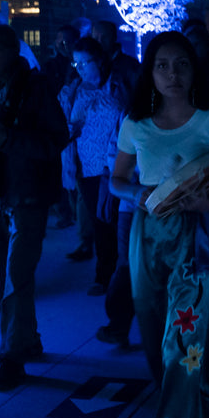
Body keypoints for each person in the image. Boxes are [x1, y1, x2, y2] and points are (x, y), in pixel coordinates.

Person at [111, 32, 209, 418]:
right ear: (150, 70)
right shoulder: (137, 122)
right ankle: (199, 408)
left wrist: (202, 201)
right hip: (147, 239)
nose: (172, 74)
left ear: (194, 69)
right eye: (162, 65)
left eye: (181, 64)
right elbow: (117, 179)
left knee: (182, 343)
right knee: (155, 345)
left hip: (198, 241)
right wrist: (137, 195)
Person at [0, 22, 70, 390]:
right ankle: (27, 339)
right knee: (0, 276)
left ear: (12, 50)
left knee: (17, 275)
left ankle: (11, 356)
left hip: (27, 194)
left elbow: (56, 139)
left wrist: (8, 138)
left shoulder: (35, 87)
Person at [66, 36, 129, 300]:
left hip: (114, 165)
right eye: (76, 62)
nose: (79, 67)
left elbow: (126, 122)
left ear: (100, 60)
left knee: (117, 221)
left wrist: (110, 168)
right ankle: (105, 274)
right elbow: (70, 125)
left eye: (85, 62)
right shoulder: (76, 88)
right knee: (99, 221)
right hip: (85, 167)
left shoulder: (117, 85)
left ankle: (119, 274)